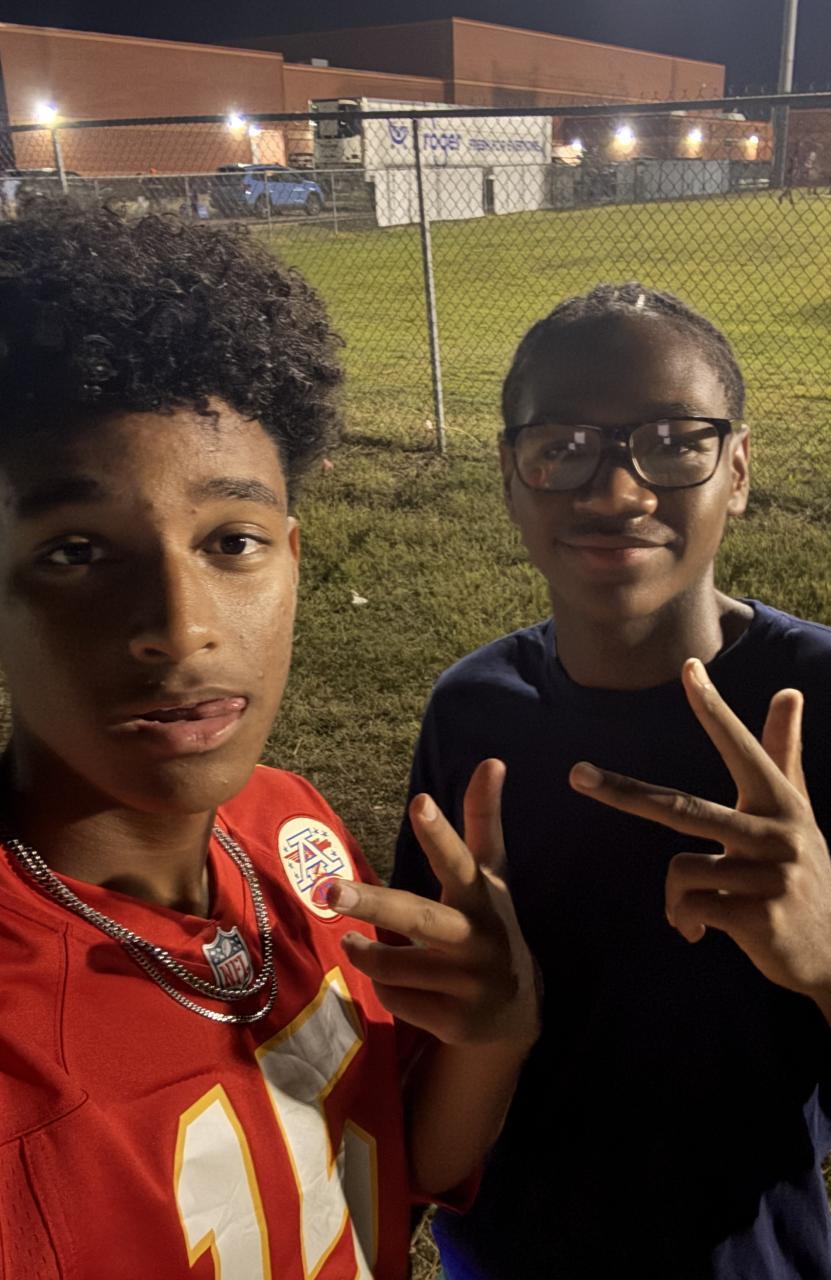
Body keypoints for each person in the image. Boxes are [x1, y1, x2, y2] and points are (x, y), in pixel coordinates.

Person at [0, 202, 539, 1280]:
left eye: (231, 541)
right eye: (76, 551)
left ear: (292, 557)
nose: (180, 625)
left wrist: (494, 1033)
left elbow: (390, 1167)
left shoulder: (287, 823)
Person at [391, 282, 831, 1278]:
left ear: (737, 469)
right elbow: (421, 1097)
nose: (616, 493)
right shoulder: (473, 711)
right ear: (510, 475)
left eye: (672, 442)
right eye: (562, 446)